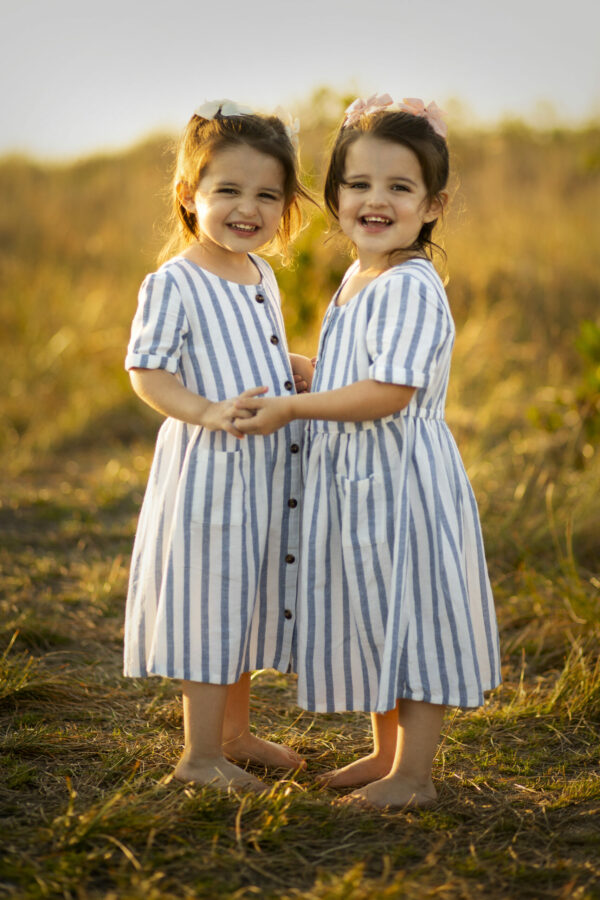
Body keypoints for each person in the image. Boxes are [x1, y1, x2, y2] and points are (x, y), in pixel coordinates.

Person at [234, 94, 501, 809]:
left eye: (399, 187)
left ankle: (414, 777)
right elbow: (356, 376)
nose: (375, 200)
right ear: (334, 196)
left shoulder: (411, 286)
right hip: (361, 487)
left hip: (404, 486)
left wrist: (294, 405)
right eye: (358, 184)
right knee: (381, 615)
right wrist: (308, 371)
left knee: (413, 619)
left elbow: (388, 393)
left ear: (433, 202)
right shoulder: (359, 277)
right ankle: (386, 755)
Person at [123, 100, 314, 792]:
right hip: (209, 472)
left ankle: (233, 734)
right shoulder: (175, 281)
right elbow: (148, 371)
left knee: (242, 598)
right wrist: (203, 410)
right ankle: (199, 757)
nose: (248, 209)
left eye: (267, 194)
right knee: (209, 603)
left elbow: (244, 345)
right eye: (227, 190)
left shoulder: (258, 272)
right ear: (188, 196)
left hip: (262, 471)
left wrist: (288, 363)